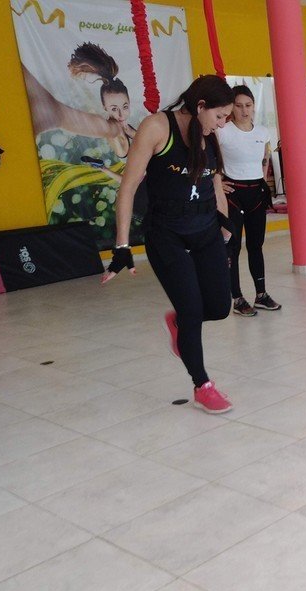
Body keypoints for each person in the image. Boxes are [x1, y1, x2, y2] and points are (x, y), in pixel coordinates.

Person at [102, 75, 236, 414]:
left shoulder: (208, 134)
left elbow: (214, 184)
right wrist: (122, 246)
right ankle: (202, 386)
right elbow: (128, 188)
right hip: (166, 234)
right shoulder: (157, 128)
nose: (222, 124)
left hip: (205, 228)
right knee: (192, 310)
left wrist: (224, 225)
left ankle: (179, 323)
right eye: (220, 116)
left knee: (219, 307)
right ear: (201, 106)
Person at [216, 85, 281, 316]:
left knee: (256, 245)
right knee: (232, 248)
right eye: (239, 105)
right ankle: (237, 298)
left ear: (254, 106)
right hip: (233, 195)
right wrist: (218, 183)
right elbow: (209, 159)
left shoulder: (263, 132)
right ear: (231, 107)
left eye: (248, 105)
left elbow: (265, 159)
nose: (244, 110)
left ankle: (261, 294)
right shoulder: (223, 131)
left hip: (256, 194)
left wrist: (262, 181)